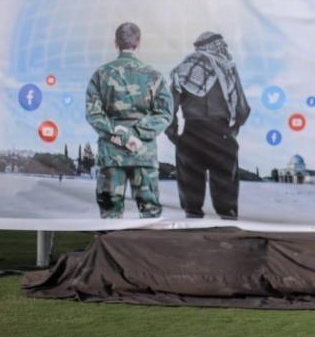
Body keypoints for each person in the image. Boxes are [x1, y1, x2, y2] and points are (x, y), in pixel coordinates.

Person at [85, 22, 173, 219]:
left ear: (115, 43)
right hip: (143, 154)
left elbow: (93, 113)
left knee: (110, 215)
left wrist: (121, 136)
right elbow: (165, 113)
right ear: (139, 44)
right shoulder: (154, 76)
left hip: (111, 154)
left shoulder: (101, 74)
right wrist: (136, 133)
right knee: (150, 215)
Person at [166, 32, 249, 220]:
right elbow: (242, 109)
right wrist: (233, 130)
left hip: (191, 134)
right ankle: (228, 229)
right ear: (217, 46)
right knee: (227, 203)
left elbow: (169, 108)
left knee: (191, 205)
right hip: (222, 135)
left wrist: (175, 135)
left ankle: (193, 230)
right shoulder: (227, 69)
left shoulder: (183, 69)